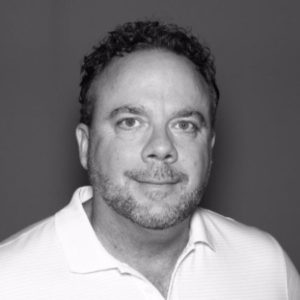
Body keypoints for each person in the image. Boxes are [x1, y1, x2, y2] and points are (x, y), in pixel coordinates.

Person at [0, 20, 299, 299]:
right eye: (130, 122)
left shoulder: (267, 266)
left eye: (184, 125)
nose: (161, 147)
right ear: (85, 145)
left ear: (210, 148)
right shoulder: (9, 280)